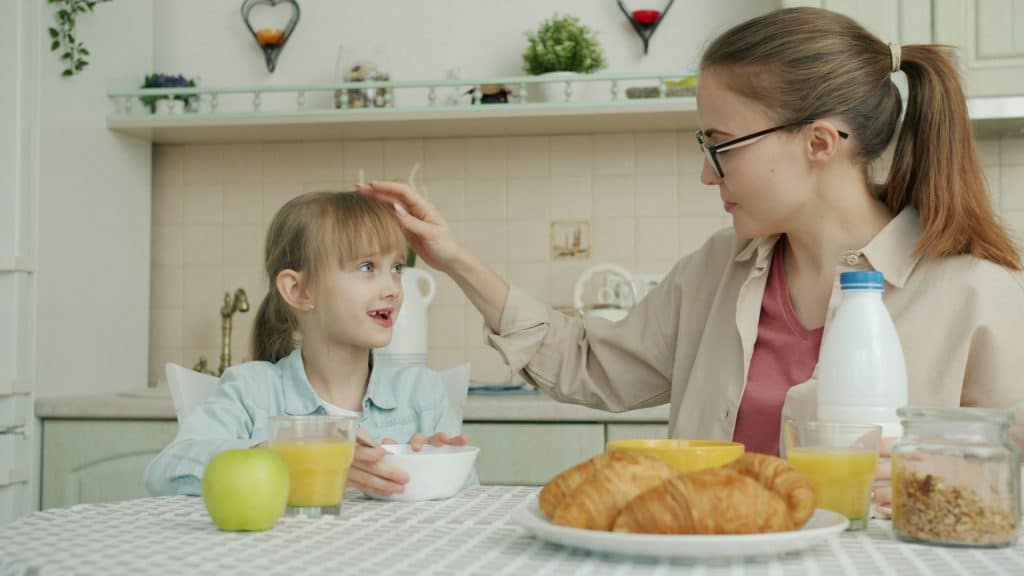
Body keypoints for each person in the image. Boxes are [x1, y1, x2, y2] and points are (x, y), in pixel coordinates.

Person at [359, 6, 1024, 510]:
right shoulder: (719, 269)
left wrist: (935, 477)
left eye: (721, 144)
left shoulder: (977, 294)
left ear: (818, 142)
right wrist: (453, 259)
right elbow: (592, 367)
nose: (708, 175)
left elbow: (1011, 478)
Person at [145, 191, 468, 498]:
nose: (393, 289)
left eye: (396, 268)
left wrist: (440, 466)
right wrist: (294, 457)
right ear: (299, 291)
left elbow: (471, 496)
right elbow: (166, 471)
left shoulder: (422, 392)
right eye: (367, 267)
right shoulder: (252, 391)